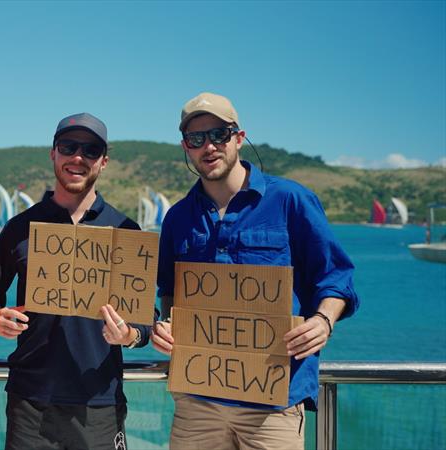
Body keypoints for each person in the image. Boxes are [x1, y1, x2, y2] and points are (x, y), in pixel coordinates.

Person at [151, 92, 359, 450]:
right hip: (196, 402)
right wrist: (166, 326)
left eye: (219, 134)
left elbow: (337, 277)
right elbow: (170, 290)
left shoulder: (291, 200)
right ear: (186, 146)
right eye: (197, 139)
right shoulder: (177, 218)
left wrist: (323, 322)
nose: (209, 146)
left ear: (239, 138)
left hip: (273, 404)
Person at [0, 112, 153, 450]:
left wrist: (131, 334)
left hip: (99, 402)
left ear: (103, 161)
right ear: (53, 153)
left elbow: (146, 318)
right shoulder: (19, 227)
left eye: (90, 150)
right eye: (69, 146)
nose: (78, 157)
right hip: (30, 403)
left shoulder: (127, 231)